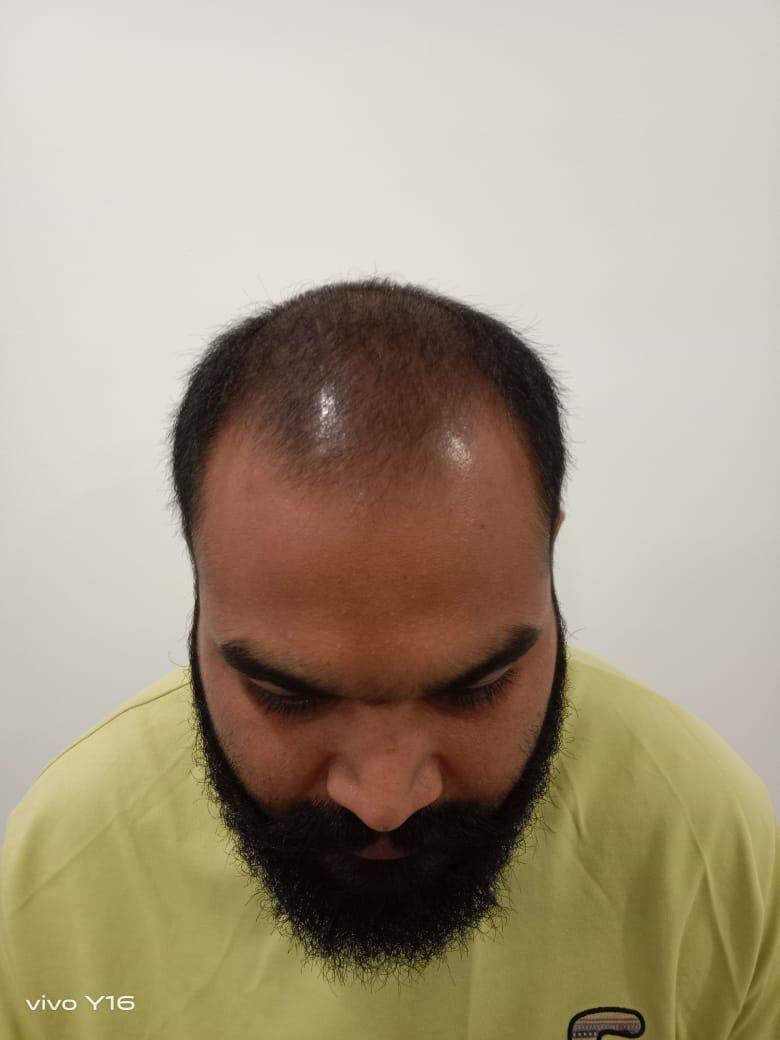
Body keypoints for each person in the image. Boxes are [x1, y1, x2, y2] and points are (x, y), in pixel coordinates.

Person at [1, 278, 776, 1039]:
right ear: (198, 571)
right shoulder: (58, 871)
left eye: (477, 689)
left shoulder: (707, 842)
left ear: (550, 550)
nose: (383, 802)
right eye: (286, 696)